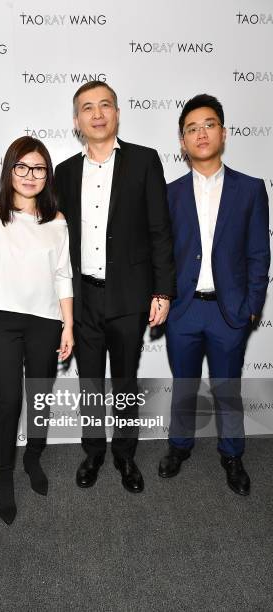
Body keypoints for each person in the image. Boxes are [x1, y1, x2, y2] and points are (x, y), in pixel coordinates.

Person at [54, 81, 176, 493]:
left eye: (105, 105)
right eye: (87, 108)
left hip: (128, 296)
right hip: (83, 295)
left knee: (124, 381)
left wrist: (163, 291)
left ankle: (125, 455)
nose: (98, 113)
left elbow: (160, 230)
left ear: (117, 113)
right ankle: (93, 452)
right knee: (89, 382)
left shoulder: (144, 161)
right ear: (77, 121)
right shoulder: (65, 171)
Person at [159, 94, 270, 495]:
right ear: (182, 141)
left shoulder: (251, 189)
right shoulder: (168, 194)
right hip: (184, 311)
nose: (200, 133)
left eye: (208, 125)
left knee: (228, 388)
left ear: (223, 132)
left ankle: (232, 454)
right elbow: (161, 255)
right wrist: (166, 301)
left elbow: (259, 253)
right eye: (191, 128)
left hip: (229, 312)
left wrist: (252, 307)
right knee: (184, 384)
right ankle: (179, 446)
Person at [0, 136, 73, 525]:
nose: (30, 176)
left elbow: (63, 275)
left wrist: (68, 325)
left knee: (38, 398)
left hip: (46, 321)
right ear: (9, 169)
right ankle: (4, 478)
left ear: (47, 175)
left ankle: (33, 458)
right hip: (1, 320)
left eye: (38, 169)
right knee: (8, 401)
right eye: (22, 167)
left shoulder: (57, 222)